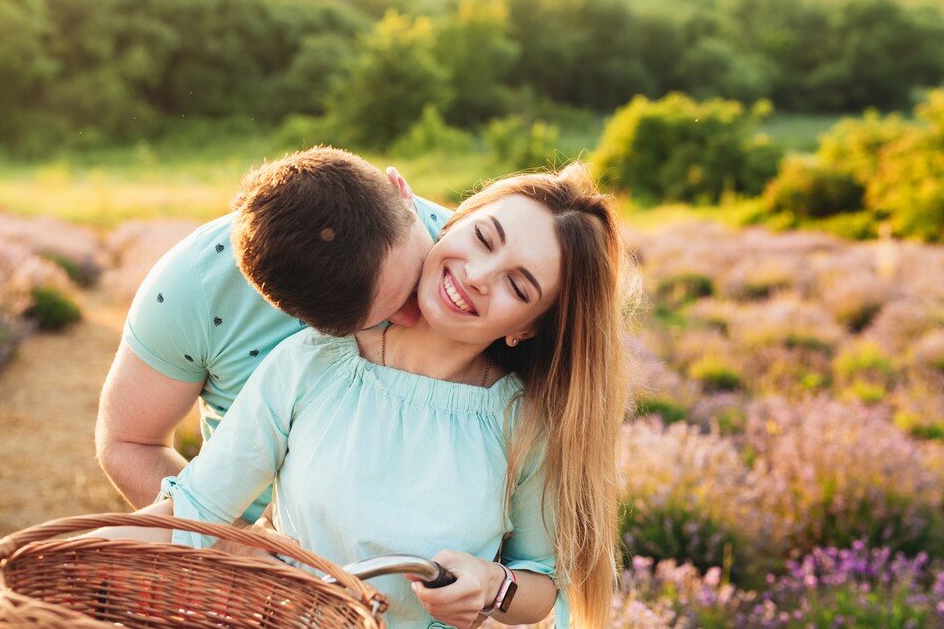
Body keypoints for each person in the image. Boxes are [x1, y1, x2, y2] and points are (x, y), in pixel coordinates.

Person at [95, 163, 635, 628]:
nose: (477, 276)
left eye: (520, 287)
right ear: (453, 220)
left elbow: (540, 582)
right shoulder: (311, 362)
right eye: (485, 239)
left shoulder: (523, 420)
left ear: (530, 328)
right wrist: (38, 557)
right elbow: (191, 512)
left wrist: (494, 587)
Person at [95, 146, 450, 522]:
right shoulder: (194, 287)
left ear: (401, 191)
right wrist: (233, 547)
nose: (416, 318)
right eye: (381, 316)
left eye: (415, 283)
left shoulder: (481, 259)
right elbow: (130, 443)